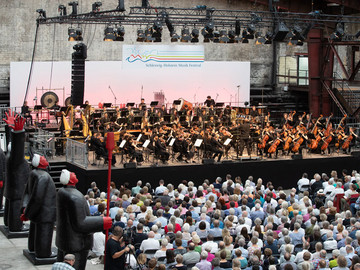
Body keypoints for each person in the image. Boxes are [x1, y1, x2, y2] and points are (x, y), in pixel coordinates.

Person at [56, 169, 112, 270]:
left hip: (64, 239)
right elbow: (80, 223)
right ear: (70, 179)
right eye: (71, 173)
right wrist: (102, 221)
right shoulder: (75, 197)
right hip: (76, 243)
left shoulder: (61, 192)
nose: (73, 173)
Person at [21, 154, 57, 259]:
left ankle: (32, 248)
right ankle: (43, 253)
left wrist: (26, 209)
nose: (46, 159)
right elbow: (37, 197)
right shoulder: (44, 177)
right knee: (44, 232)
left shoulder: (33, 174)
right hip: (45, 212)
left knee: (34, 229)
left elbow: (27, 193)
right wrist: (27, 213)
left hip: (37, 211)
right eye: (44, 159)